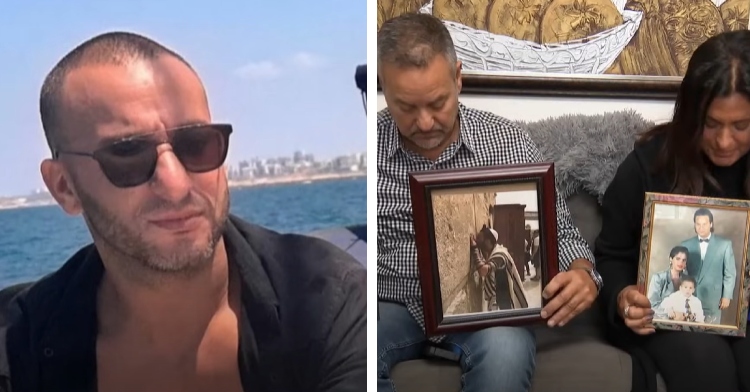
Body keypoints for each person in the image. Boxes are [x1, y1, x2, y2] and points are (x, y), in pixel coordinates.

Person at [0, 32, 366, 392]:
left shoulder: (328, 305)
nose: (175, 186)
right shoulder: (17, 348)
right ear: (64, 186)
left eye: (197, 144)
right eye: (127, 155)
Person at [376, 13, 602, 392]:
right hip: (393, 306)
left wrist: (584, 275)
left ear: (458, 77)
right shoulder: (370, 147)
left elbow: (562, 235)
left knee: (505, 350)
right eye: (406, 108)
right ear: (383, 87)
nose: (426, 122)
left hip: (485, 318)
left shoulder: (509, 142)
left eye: (437, 103)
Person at [595, 29, 750, 392]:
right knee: (706, 361)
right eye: (711, 124)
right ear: (691, 113)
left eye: (741, 126)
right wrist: (622, 297)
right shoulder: (648, 165)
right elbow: (610, 255)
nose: (725, 142)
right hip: (668, 318)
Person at [679, 208, 736, 324]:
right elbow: (682, 273)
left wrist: (727, 296)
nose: (701, 227)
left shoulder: (724, 245)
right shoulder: (685, 245)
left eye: (704, 224)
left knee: (711, 334)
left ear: (711, 224)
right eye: (698, 224)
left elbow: (730, 273)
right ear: (694, 225)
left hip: (713, 299)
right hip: (690, 296)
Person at [646, 245, 689, 316]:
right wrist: (669, 313)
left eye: (684, 260)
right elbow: (652, 305)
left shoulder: (687, 280)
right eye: (678, 259)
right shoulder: (658, 278)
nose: (681, 262)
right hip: (661, 319)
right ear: (671, 259)